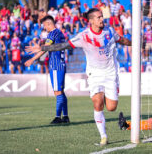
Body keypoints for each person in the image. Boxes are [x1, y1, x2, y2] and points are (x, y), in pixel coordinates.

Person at [25, 8, 131, 146]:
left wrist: (135, 42)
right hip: (94, 74)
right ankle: (103, 136)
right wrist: (43, 48)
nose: (101, 19)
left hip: (111, 72)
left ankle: (105, 95)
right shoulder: (84, 36)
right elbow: (63, 45)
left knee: (111, 108)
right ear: (91, 20)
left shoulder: (109, 31)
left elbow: (122, 40)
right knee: (97, 104)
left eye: (102, 17)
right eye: (98, 17)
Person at [25, 15, 70, 124]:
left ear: (49, 24)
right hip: (61, 65)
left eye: (45, 26)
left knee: (57, 92)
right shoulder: (60, 33)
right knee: (61, 92)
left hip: (55, 66)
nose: (44, 28)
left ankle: (58, 117)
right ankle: (65, 116)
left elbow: (45, 49)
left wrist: (32, 59)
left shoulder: (52, 33)